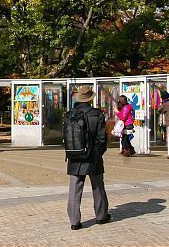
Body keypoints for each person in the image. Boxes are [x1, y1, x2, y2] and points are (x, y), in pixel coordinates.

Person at [66, 86, 110, 230]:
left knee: (74, 189)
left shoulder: (70, 114)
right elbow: (102, 138)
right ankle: (101, 215)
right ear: (91, 99)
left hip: (74, 154)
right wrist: (98, 153)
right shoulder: (97, 114)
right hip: (93, 155)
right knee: (98, 186)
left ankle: (74, 221)